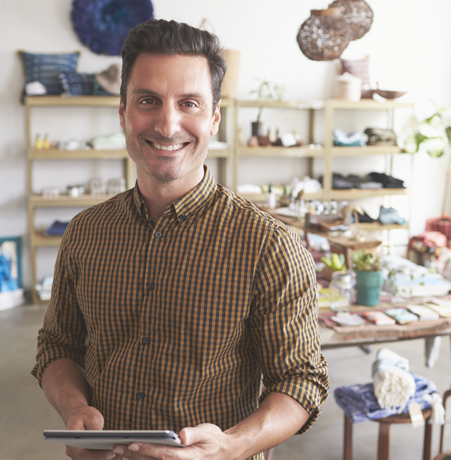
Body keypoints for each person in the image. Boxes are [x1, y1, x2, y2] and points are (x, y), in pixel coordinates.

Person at [32, 19, 328, 460]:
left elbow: (302, 380)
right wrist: (75, 408)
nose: (168, 125)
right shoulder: (85, 233)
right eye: (148, 100)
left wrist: (232, 446)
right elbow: (58, 346)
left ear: (213, 118)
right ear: (122, 113)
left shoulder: (269, 246)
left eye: (189, 103)